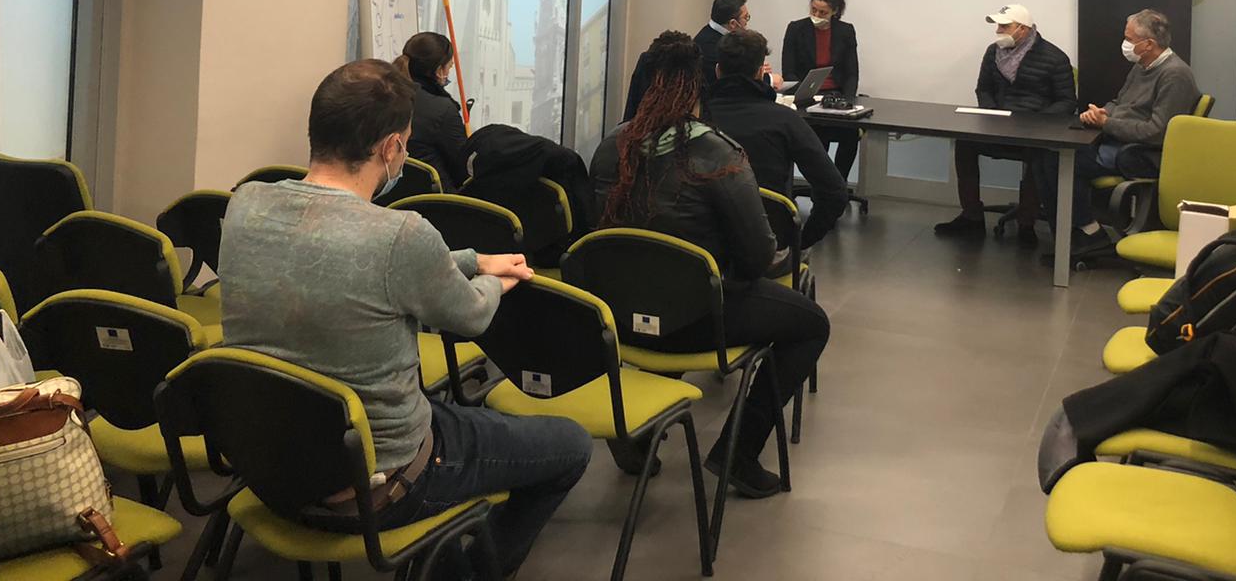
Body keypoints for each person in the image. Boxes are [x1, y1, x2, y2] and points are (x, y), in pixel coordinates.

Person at [219, 60, 592, 580]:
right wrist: (497, 281)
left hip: (270, 466)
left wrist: (472, 261)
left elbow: (354, 259)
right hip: (378, 482)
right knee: (571, 445)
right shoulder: (401, 234)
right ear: (392, 147)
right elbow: (472, 315)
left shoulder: (246, 205)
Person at [590, 31, 829, 500]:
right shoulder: (716, 152)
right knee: (811, 324)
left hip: (617, 319)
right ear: (699, 87)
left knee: (664, 289)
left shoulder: (610, 147)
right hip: (696, 320)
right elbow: (758, 258)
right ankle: (737, 452)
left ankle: (636, 430)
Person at [1058, 9, 1200, 254]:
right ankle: (1070, 230)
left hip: (1140, 153)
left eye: (1129, 39)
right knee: (1050, 155)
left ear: (1148, 44)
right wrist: (1101, 112)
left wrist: (1106, 123)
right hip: (1118, 140)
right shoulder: (1142, 65)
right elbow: (1120, 102)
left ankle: (1088, 231)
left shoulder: (1175, 75)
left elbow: (1157, 132)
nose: (1125, 44)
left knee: (1063, 161)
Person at [934, 4, 1076, 245]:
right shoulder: (993, 52)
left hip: (1034, 131)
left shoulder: (1055, 57)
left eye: (1004, 26)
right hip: (997, 127)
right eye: (998, 26)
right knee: (965, 142)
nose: (999, 31)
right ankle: (971, 216)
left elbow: (1067, 101)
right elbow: (983, 89)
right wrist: (993, 114)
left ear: (1023, 29)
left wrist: (1036, 122)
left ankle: (1026, 223)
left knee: (1039, 153)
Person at [707, 29, 848, 247]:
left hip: (705, 246)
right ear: (759, 73)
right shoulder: (785, 120)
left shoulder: (697, 118)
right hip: (768, 244)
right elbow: (835, 192)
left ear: (718, 71)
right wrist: (799, 243)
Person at [621, 0, 754, 121]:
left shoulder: (708, 38)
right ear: (732, 23)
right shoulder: (713, 50)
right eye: (746, 17)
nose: (747, 23)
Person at [780, 0, 861, 181]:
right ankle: (821, 185)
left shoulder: (845, 31)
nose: (816, 15)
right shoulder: (796, 29)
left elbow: (851, 73)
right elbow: (789, 72)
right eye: (813, 10)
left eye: (823, 12)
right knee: (816, 139)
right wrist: (804, 96)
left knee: (850, 135)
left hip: (835, 98)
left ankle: (839, 184)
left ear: (835, 11)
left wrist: (848, 100)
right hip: (806, 100)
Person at [395, 31, 471, 190]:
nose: (449, 73)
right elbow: (463, 170)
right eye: (449, 67)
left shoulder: (385, 95)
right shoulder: (443, 110)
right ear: (439, 71)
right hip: (436, 199)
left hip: (388, 197)